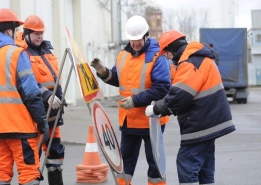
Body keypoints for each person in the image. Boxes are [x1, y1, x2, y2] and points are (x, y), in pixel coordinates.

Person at [145, 30, 236, 184]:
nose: (168, 58)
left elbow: (180, 96)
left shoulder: (190, 61)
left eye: (166, 53)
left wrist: (156, 109)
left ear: (172, 48)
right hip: (210, 120)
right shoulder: (200, 57)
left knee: (187, 165)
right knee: (205, 169)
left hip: (200, 123)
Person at [90, 15, 170, 185]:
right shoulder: (123, 55)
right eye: (132, 40)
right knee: (124, 164)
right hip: (129, 121)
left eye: (138, 39)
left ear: (146, 35)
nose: (135, 44)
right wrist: (103, 71)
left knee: (155, 164)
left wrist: (135, 101)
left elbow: (162, 87)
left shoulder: (157, 56)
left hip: (151, 121)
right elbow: (117, 78)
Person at [0, 8, 49, 185]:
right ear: (9, 30)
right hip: (20, 128)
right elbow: (31, 93)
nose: (18, 35)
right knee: (29, 173)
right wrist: (42, 121)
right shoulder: (16, 54)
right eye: (17, 31)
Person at [15, 15, 65, 185]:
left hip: (53, 113)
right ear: (27, 33)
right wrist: (46, 95)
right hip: (34, 113)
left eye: (41, 33)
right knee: (33, 155)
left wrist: (59, 98)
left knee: (55, 153)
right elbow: (27, 82)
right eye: (36, 33)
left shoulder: (46, 51)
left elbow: (55, 78)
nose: (40, 36)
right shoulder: (21, 53)